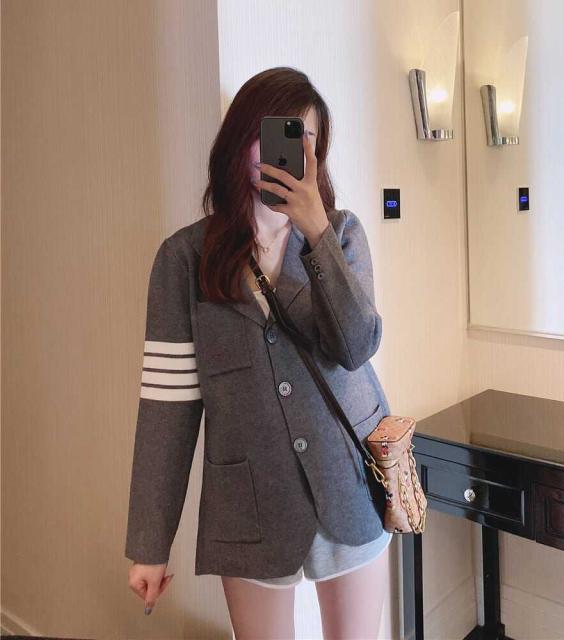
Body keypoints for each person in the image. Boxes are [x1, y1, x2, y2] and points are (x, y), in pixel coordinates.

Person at [126, 66, 391, 639]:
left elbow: (356, 349)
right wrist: (151, 542)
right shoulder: (184, 259)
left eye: (304, 137)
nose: (287, 151)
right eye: (273, 132)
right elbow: (167, 407)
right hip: (249, 503)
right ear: (240, 139)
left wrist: (316, 232)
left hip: (347, 485)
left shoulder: (342, 234)